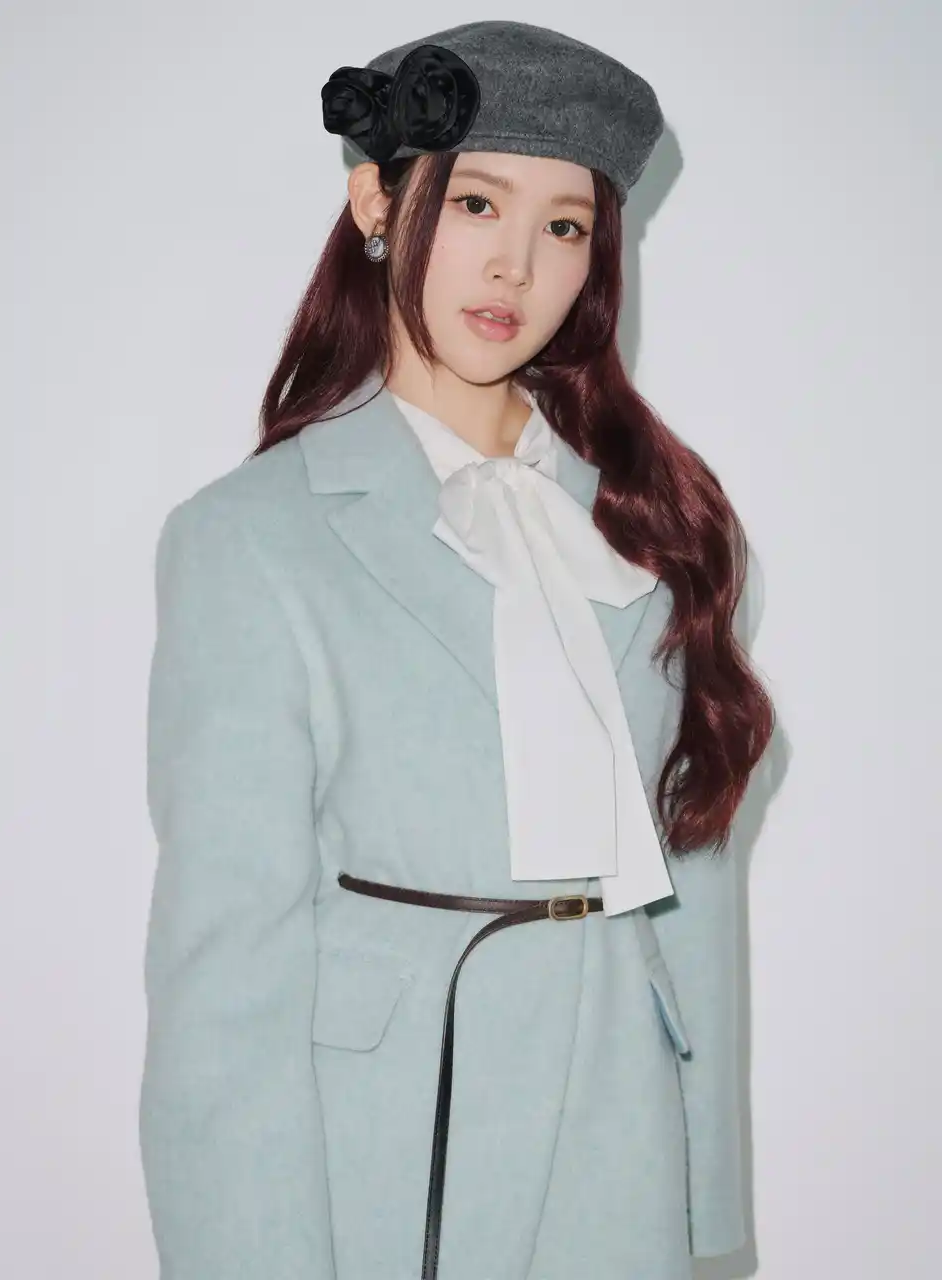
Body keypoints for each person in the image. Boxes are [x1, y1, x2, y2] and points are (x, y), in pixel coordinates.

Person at [139, 19, 775, 1280]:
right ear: (377, 201)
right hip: (382, 1145)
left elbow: (696, 902)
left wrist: (707, 1212)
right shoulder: (248, 540)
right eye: (478, 202)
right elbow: (226, 975)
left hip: (619, 1141)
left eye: (564, 225)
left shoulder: (655, 530)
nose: (515, 264)